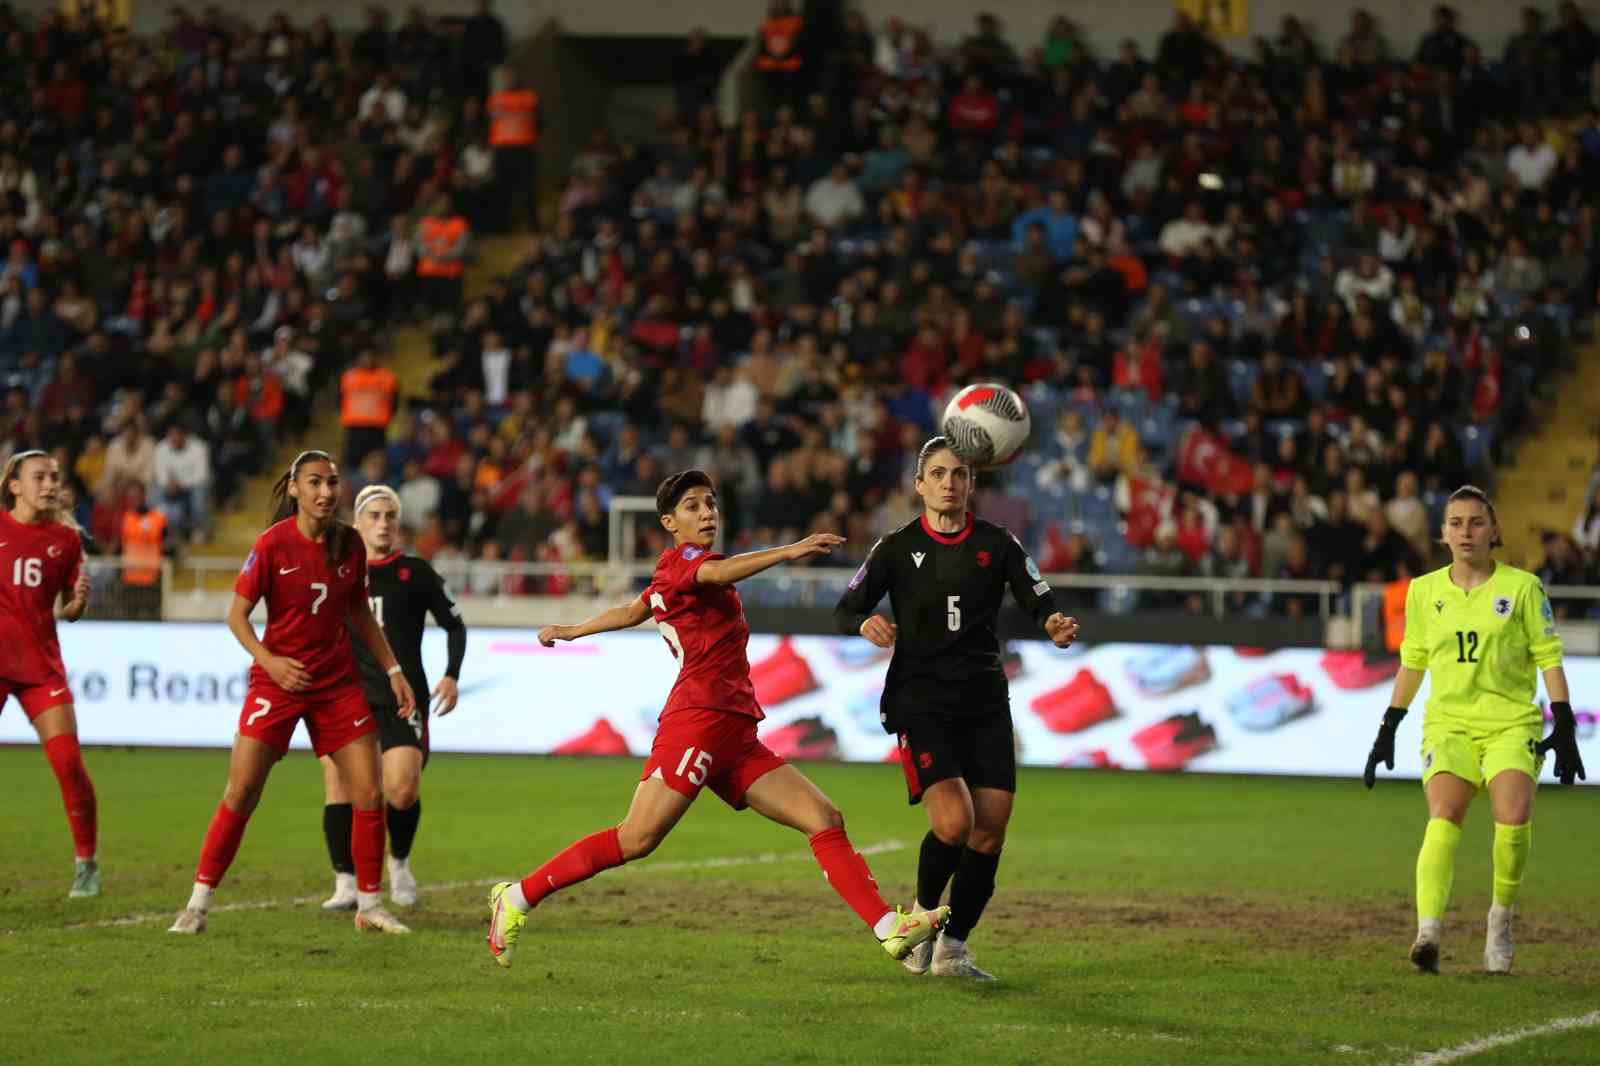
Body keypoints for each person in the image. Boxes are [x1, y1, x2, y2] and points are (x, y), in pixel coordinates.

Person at [485, 469, 948, 969]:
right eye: (692, 506)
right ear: (669, 522)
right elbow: (717, 574)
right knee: (637, 838)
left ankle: (888, 928)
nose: (707, 513)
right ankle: (517, 897)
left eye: (710, 503)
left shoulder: (670, 573)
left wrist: (575, 629)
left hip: (735, 732)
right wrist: (788, 552)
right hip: (698, 721)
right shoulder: (690, 564)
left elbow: (633, 609)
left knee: (823, 818)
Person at [834, 437, 1080, 980]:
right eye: (939, 473)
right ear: (919, 485)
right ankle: (921, 922)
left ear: (972, 485)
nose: (950, 482)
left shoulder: (999, 544)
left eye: (960, 475)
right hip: (921, 703)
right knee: (953, 823)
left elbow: (1037, 596)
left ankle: (953, 949)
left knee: (989, 833)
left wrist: (1053, 623)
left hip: (986, 703)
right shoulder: (895, 548)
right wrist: (863, 622)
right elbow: (846, 606)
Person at [168, 451, 416, 935]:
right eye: (315, 482)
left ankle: (368, 905)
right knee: (242, 791)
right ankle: (197, 903)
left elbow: (360, 612)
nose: (326, 492)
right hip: (277, 683)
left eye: (332, 482)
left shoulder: (349, 544)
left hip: (337, 685)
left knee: (368, 791)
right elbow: (237, 617)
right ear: (295, 489)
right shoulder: (272, 545)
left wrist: (392, 668)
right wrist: (271, 661)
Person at [1364, 485, 1582, 975]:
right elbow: (1413, 663)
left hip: (1509, 721)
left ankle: (1500, 920)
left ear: (1495, 530)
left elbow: (1548, 656)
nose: (1466, 531)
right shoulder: (1423, 592)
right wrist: (1388, 726)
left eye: (1476, 522)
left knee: (1512, 811)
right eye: (1456, 523)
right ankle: (1428, 933)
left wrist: (1564, 718)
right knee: (1443, 813)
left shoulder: (1524, 587)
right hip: (1450, 724)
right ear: (1443, 534)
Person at [319, 484, 466, 910]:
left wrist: (452, 674)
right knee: (340, 786)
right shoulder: (338, 571)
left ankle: (398, 864)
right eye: (374, 516)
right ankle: (345, 882)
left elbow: (455, 625)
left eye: (390, 516)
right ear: (357, 524)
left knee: (401, 790)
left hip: (403, 698)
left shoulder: (415, 572)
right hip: (346, 695)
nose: (383, 523)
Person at [1, 450, 98, 897]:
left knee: (68, 763)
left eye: (54, 477)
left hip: (41, 669)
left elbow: (69, 608)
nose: (49, 484)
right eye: (38, 476)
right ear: (14, 486)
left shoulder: (65, 539)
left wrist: (77, 603)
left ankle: (87, 864)